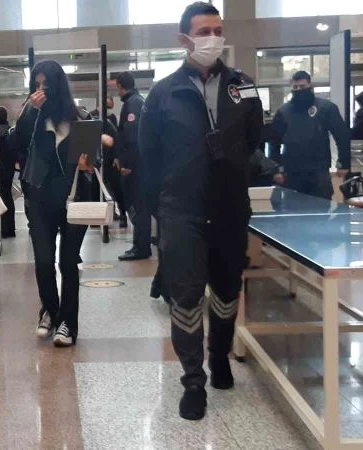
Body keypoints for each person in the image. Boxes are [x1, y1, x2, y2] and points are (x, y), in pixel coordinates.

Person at [139, 3, 263, 420]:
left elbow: (254, 139)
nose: (213, 38)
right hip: (182, 212)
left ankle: (219, 354)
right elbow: (149, 155)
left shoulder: (243, 86)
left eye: (217, 30)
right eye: (203, 31)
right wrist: (160, 208)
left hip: (230, 209)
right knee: (187, 294)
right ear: (184, 40)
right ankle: (193, 380)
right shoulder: (163, 93)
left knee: (227, 291)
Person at [15, 60, 95, 348]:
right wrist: (31, 111)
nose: (40, 90)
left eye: (45, 85)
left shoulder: (79, 119)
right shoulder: (31, 117)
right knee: (44, 261)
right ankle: (50, 310)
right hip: (39, 200)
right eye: (36, 85)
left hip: (74, 199)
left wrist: (89, 164)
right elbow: (16, 145)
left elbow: (93, 160)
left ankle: (68, 324)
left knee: (68, 262)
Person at [269, 70, 350, 199]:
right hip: (292, 170)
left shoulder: (326, 108)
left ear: (310, 86)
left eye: (302, 86)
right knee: (292, 207)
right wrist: (276, 169)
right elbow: (274, 142)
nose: (298, 90)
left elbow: (342, 136)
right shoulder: (283, 111)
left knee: (321, 206)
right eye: (295, 87)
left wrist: (344, 163)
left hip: (319, 169)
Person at [115, 72, 151, 260]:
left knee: (138, 208)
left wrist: (127, 163)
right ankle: (140, 245)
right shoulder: (138, 101)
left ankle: (141, 248)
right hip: (142, 165)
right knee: (140, 207)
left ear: (120, 86)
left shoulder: (132, 104)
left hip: (136, 168)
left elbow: (132, 136)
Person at [0, 107, 17, 238]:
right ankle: (10, 228)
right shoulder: (10, 131)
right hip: (9, 168)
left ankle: (2, 229)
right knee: (8, 196)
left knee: (0, 198)